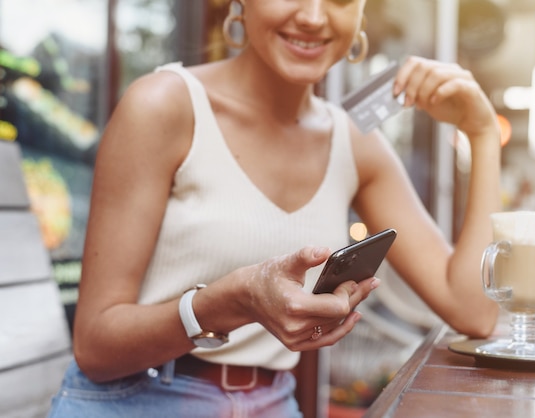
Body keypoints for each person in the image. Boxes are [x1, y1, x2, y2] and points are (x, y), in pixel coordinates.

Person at [47, 1, 501, 417]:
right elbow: (95, 347)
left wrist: (481, 132)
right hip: (135, 402)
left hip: (271, 403)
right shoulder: (163, 106)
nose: (313, 16)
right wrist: (228, 301)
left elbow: (473, 310)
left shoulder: (356, 144)